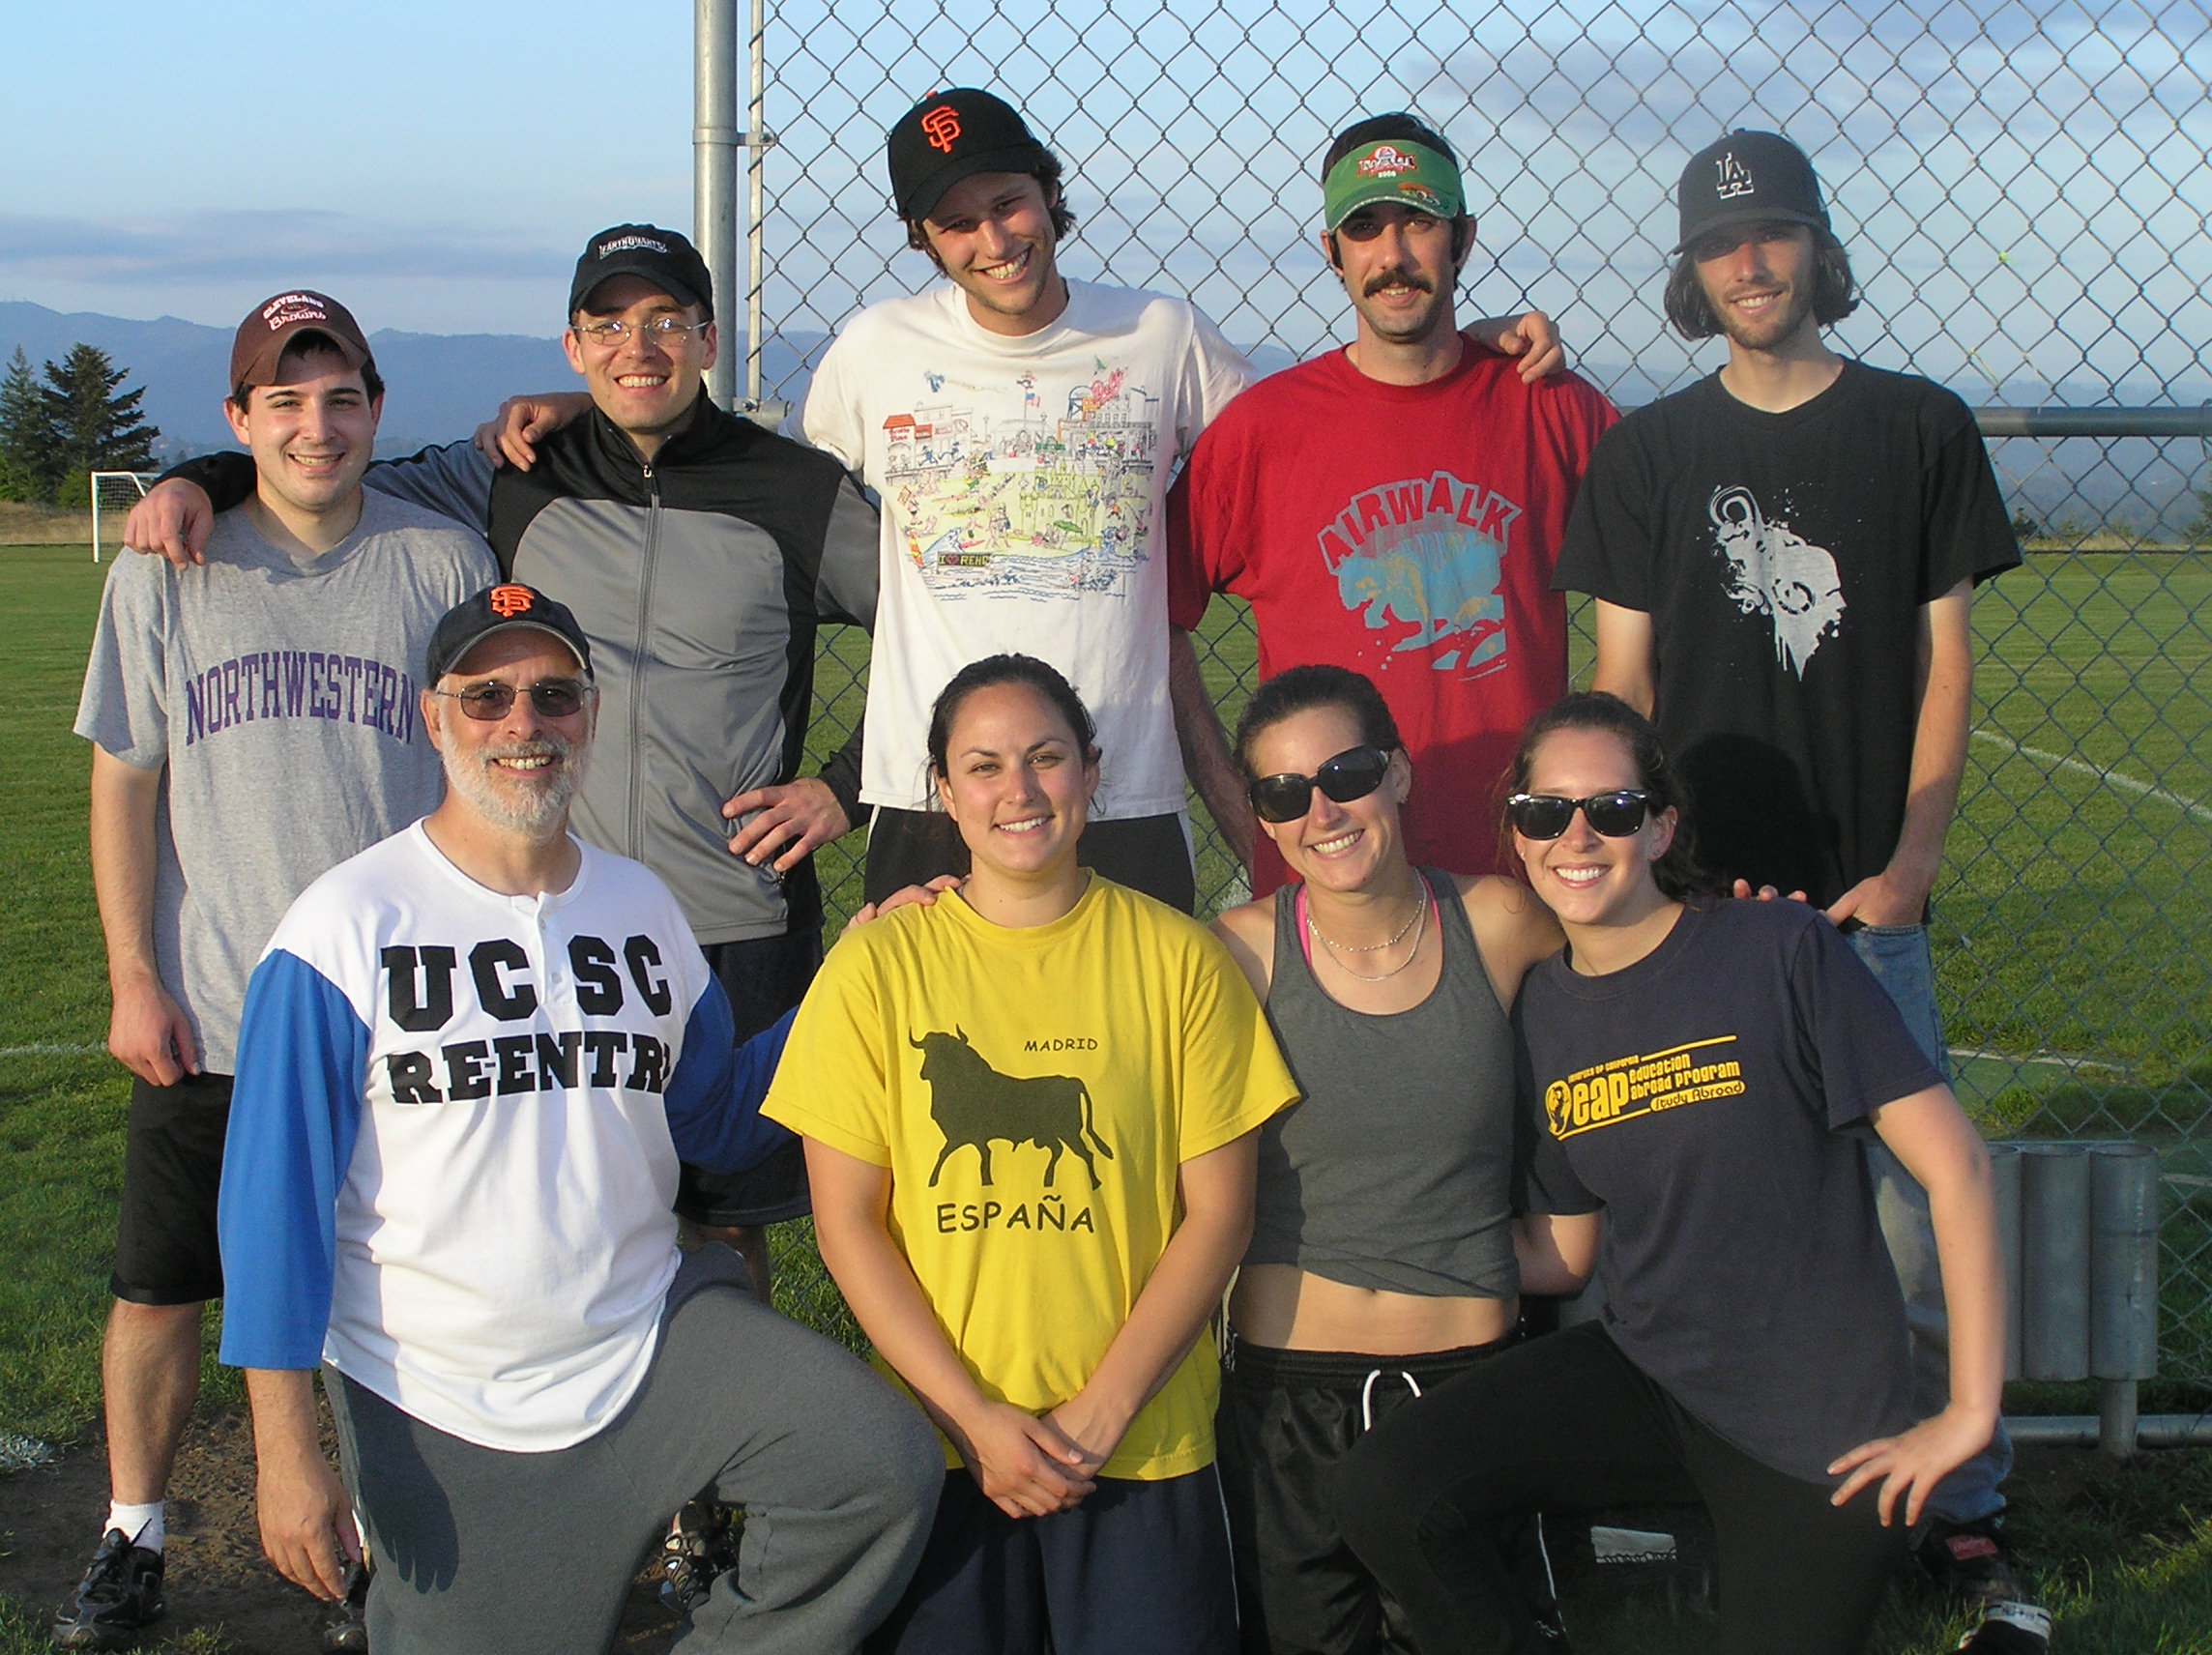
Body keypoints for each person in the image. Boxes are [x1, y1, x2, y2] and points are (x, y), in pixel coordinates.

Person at [121, 222, 881, 1301]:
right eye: (608, 325)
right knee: (555, 1196)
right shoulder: (513, 473)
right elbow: (327, 469)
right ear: (570, 347)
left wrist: (842, 787)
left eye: (665, 321)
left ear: (709, 336)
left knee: (717, 1226)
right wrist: (193, 475)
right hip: (548, 915)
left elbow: (931, 621)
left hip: (730, 905)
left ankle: (712, 1448)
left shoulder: (796, 488)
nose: (639, 347)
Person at [214, 583, 943, 1655]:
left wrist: (850, 980)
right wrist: (286, 1449)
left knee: (873, 1464)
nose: (523, 723)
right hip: (443, 1397)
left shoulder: (640, 907)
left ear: (589, 716)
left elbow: (720, 1122)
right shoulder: (342, 925)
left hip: (650, 1344)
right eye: (488, 696)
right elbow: (271, 1207)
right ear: (434, 716)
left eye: (553, 695)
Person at [1553, 130, 2039, 1651]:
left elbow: (1948, 664)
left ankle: (1965, 1499)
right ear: (1692, 274)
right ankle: (1717, 1484)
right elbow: (1619, 680)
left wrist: (1911, 868)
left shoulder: (1914, 428)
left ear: (1819, 253)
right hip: (1693, 914)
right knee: (1686, 1207)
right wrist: (1641, 876)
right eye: (1721, 244)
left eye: (1774, 236)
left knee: (1904, 1219)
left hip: (1854, 907)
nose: (1749, 263)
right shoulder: (1649, 452)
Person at [1334, 691, 2005, 1655]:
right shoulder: (1544, 1009)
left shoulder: (1777, 948)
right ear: (1516, 837)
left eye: (1608, 809)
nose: (1575, 835)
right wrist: (1356, 1246)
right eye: (1542, 812)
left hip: (1817, 1427)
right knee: (1384, 1487)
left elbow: (1957, 1171)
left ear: (1658, 827)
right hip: (1649, 1373)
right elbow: (1564, 1256)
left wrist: (1963, 1414)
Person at [798, 88, 1558, 911]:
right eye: (956, 222)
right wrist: (844, 778)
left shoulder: (1161, 335)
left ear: (1050, 193)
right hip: (937, 796)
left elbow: (1316, 431)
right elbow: (794, 518)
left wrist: (1462, 349)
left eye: (1010, 202)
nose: (994, 240)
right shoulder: (875, 349)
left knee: (1139, 1033)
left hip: (1123, 787)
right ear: (923, 239)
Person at [61, 291, 496, 1652]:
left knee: (384, 1285)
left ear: (376, 409)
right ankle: (132, 1532)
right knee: (160, 1286)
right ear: (238, 420)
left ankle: (377, 1543)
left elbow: (475, 776)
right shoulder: (167, 569)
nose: (318, 426)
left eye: (343, 398)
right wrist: (135, 973)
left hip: (387, 1015)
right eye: (285, 402)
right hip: (218, 1006)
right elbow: (126, 783)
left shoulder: (440, 562)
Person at [762, 654, 1298, 1653]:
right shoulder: (877, 965)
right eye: (983, 764)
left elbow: (1220, 1212)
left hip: (1136, 1442)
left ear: (1092, 774)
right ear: (942, 792)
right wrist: (969, 1414)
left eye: (1046, 757)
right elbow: (844, 1221)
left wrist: (1103, 1410)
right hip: (944, 1446)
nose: (1018, 789)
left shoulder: (1177, 958)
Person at [1206, 664, 1576, 1655]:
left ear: (1399, 773)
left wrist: (1757, 929)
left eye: (1347, 773)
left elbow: (1647, 964)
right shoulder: (1233, 954)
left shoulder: (1499, 924)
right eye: (1284, 793)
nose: (1321, 809)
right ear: (1265, 819)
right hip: (1292, 1392)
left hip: (1465, 1387)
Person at [1167, 113, 1612, 890]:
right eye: (1365, 228)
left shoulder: (1554, 409)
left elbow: (1660, 594)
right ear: (1332, 253)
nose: (1394, 255)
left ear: (1462, 239)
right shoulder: (1262, 431)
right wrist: (1248, 819)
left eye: (1419, 222)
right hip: (1331, 892)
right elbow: (1157, 619)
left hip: (1528, 879)